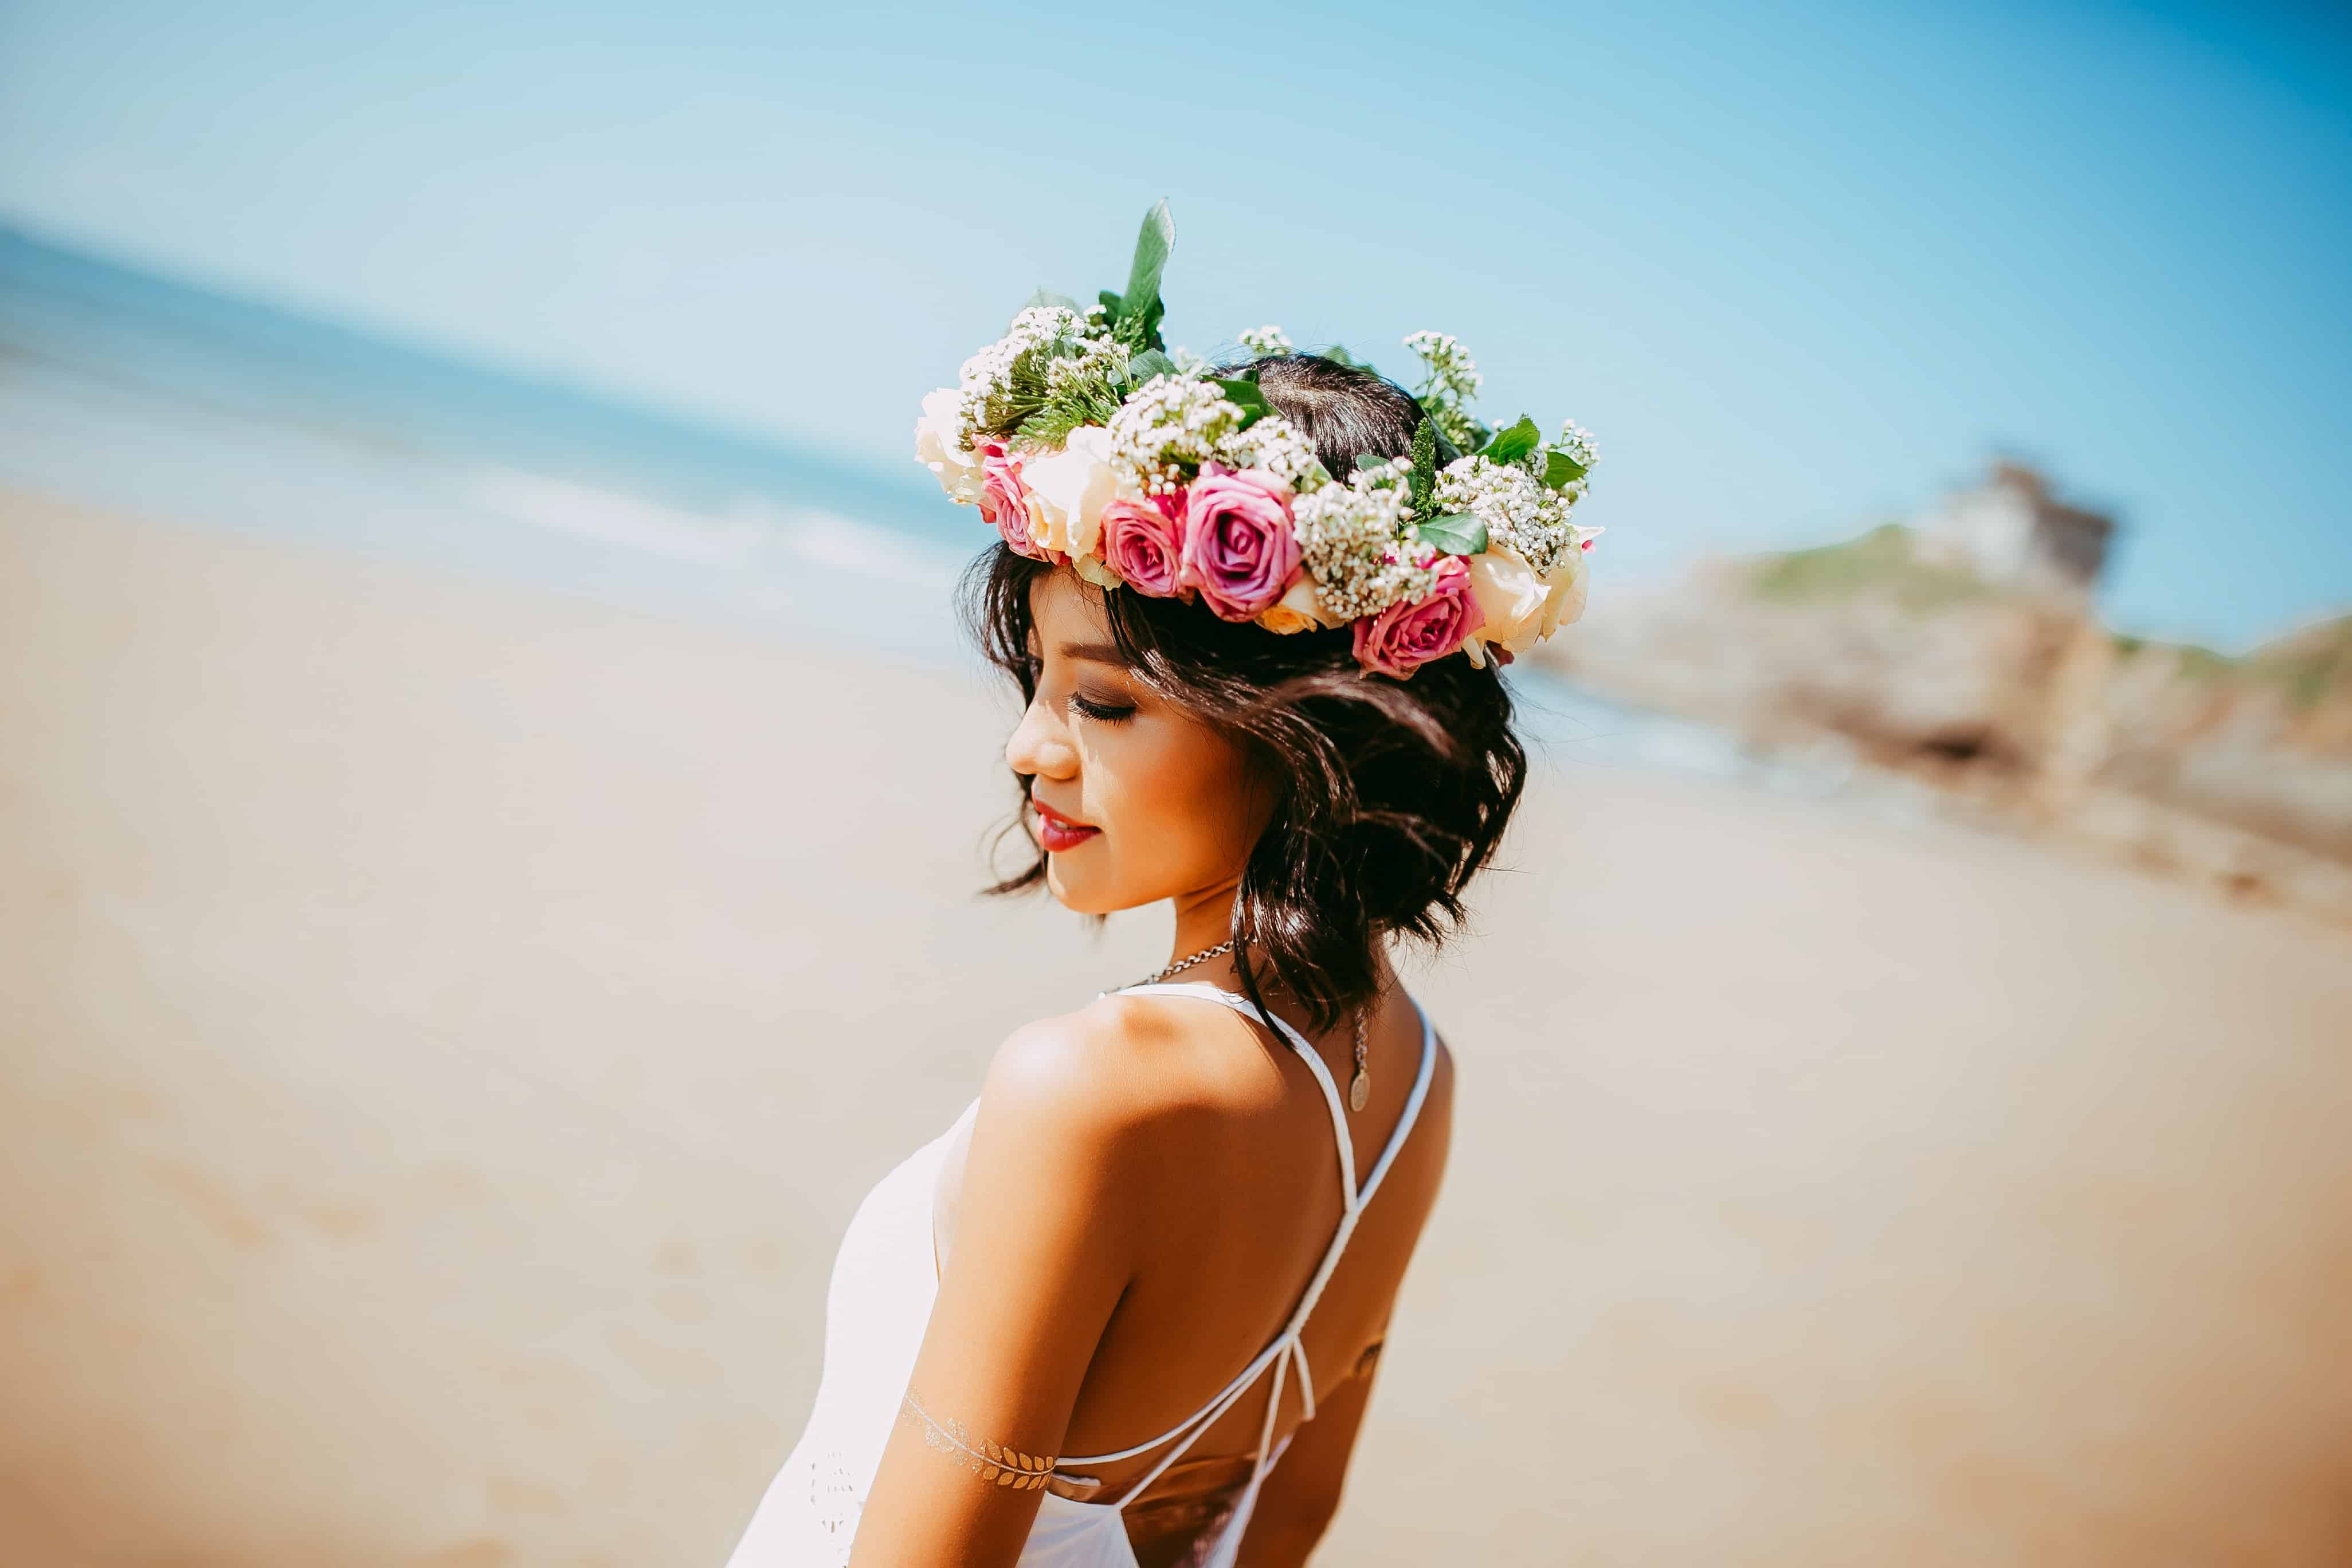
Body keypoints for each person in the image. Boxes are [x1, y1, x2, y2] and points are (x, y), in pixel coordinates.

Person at [725, 207, 1600, 1567]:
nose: (1029, 752)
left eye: (1102, 704)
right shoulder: (1412, 1075)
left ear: (1297, 723)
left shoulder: (1093, 1085)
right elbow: (1287, 1521)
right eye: (1034, 688)